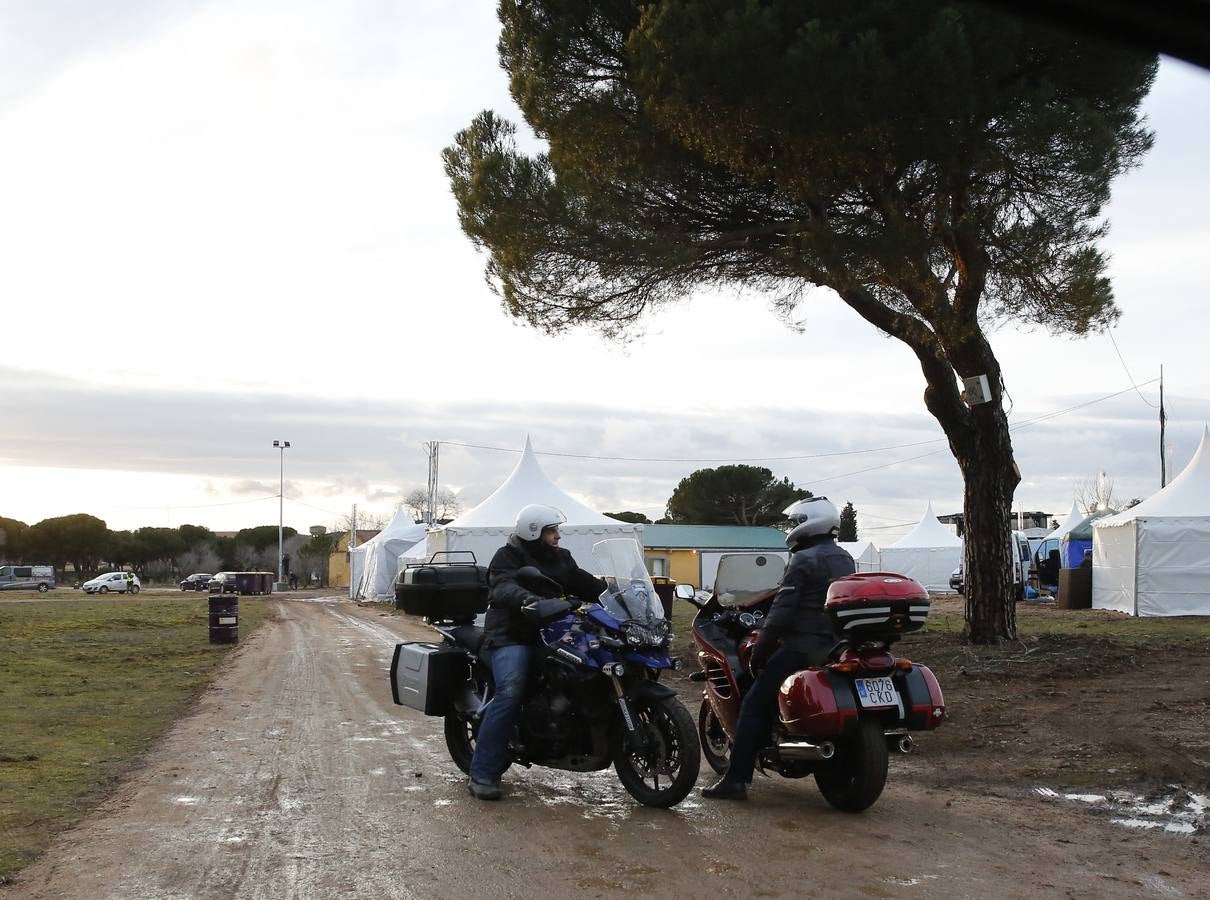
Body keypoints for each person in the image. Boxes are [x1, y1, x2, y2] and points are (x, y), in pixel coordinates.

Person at [702, 496, 856, 801]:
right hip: (837, 646)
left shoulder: (803, 559)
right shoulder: (843, 557)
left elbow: (782, 613)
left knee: (753, 703)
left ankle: (735, 780)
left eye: (794, 522)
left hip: (803, 647)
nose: (791, 527)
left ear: (806, 523)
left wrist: (761, 651)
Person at [467, 503, 605, 801]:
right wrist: (526, 600)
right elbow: (502, 586)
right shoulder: (508, 557)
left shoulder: (561, 557)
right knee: (512, 690)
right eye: (551, 531)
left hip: (555, 630)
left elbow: (585, 582)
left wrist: (616, 591)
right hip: (512, 634)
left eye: (557, 530)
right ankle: (483, 773)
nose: (557, 536)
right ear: (534, 533)